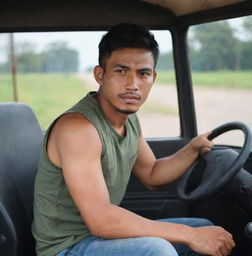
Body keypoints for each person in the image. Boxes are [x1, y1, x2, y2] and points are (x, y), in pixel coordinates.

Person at [32, 23, 235, 256]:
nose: (132, 85)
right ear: (100, 75)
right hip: (67, 248)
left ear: (153, 77)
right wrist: (187, 235)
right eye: (121, 71)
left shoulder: (128, 120)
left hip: (98, 237)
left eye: (143, 73)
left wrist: (193, 149)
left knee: (205, 228)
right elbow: (101, 220)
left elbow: (152, 174)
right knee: (157, 249)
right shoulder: (79, 129)